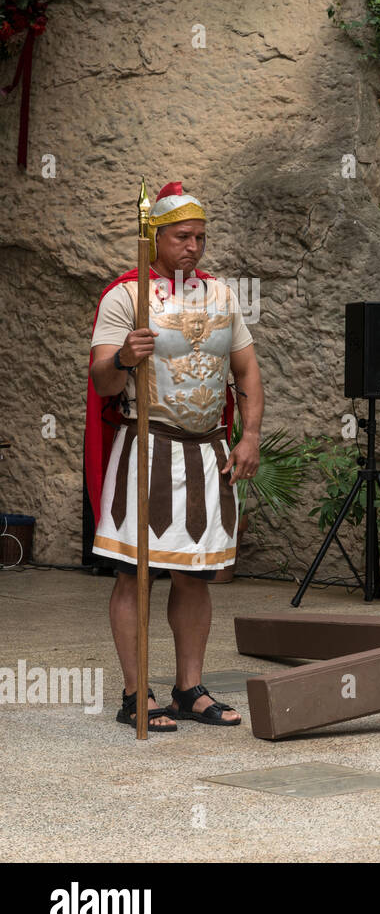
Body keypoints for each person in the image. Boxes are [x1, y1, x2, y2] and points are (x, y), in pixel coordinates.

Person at [85, 181, 264, 731]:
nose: (193, 247)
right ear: (155, 238)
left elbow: (247, 371)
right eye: (182, 236)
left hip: (207, 450)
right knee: (133, 574)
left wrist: (250, 435)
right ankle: (136, 694)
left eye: (201, 237)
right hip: (148, 447)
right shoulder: (126, 295)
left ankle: (190, 689)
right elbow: (102, 380)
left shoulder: (222, 296)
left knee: (196, 576)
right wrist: (124, 355)